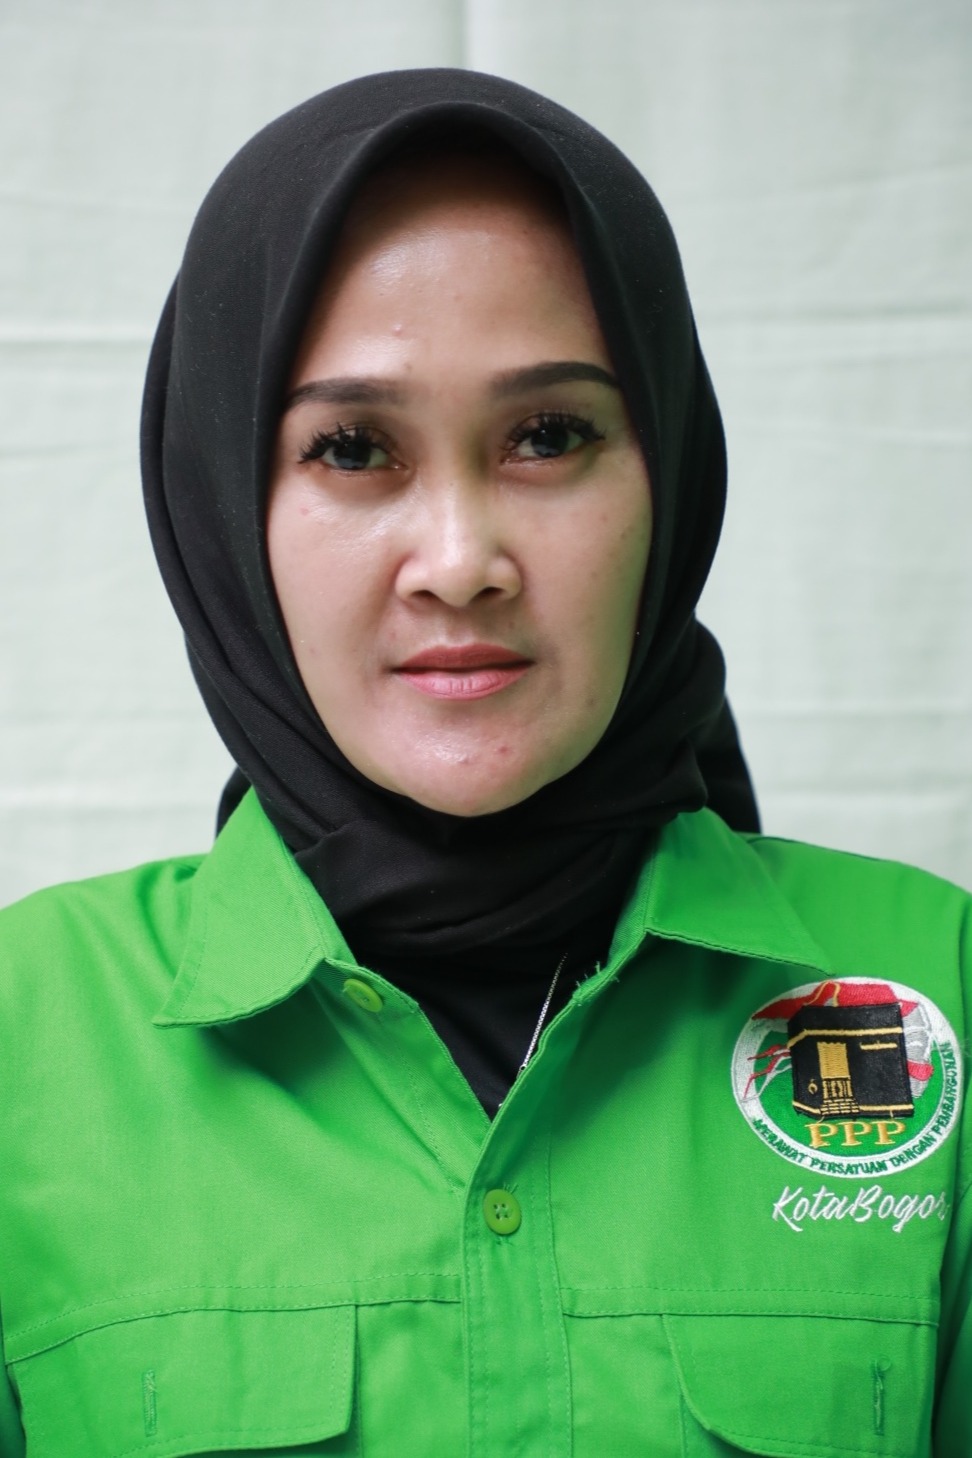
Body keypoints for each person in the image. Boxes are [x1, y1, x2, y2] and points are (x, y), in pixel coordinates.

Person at [0, 68, 967, 1457]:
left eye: (548, 436)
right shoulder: (27, 1035)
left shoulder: (939, 990)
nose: (459, 562)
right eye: (352, 448)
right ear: (221, 503)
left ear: (669, 475)